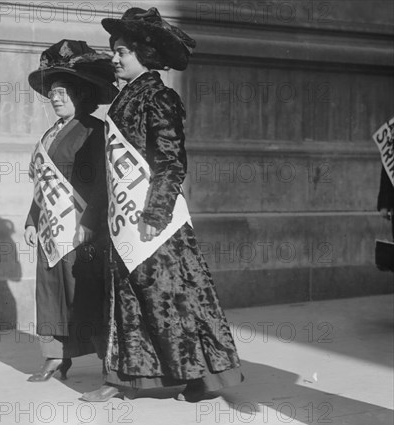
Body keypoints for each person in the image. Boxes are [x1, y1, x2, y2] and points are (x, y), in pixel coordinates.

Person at [81, 8, 243, 402]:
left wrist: (155, 213)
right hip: (127, 216)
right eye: (113, 51)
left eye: (121, 51)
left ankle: (200, 377)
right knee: (135, 299)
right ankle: (128, 378)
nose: (114, 58)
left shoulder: (159, 96)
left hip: (157, 221)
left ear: (144, 55)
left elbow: (170, 162)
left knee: (174, 297)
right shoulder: (126, 98)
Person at [24, 40, 118, 382]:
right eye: (53, 92)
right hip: (51, 229)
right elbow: (43, 186)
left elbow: (104, 184)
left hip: (83, 228)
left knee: (86, 293)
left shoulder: (95, 131)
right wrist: (32, 219)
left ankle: (111, 361)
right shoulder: (49, 135)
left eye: (64, 91)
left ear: (80, 93)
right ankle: (55, 357)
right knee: (51, 292)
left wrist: (90, 223)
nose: (56, 97)